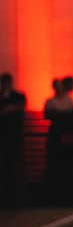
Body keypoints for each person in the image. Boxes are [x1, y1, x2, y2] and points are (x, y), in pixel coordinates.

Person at [0, 73, 28, 205]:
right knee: (5, 163)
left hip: (14, 134)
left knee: (13, 161)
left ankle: (13, 191)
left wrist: (8, 109)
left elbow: (21, 107)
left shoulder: (19, 96)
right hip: (3, 135)